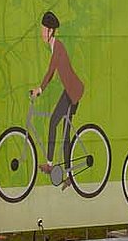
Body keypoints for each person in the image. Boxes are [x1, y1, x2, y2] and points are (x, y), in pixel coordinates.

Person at [30, 11, 88, 177]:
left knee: (59, 127)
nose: (42, 33)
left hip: (73, 92)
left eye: (44, 30)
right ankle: (58, 169)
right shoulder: (54, 46)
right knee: (60, 128)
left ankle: (58, 169)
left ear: (51, 31)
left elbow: (50, 71)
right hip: (69, 90)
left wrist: (39, 89)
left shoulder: (58, 47)